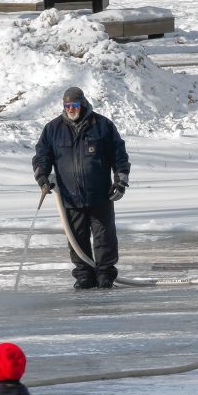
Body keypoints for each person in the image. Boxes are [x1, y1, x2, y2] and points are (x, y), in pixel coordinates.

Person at [32, 86, 131, 290]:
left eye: (74, 105)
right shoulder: (53, 129)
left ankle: (105, 274)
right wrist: (42, 177)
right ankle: (84, 275)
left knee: (104, 238)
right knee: (76, 239)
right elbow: (42, 156)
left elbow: (119, 155)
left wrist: (120, 181)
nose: (70, 109)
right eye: (67, 105)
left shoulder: (102, 125)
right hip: (70, 197)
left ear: (83, 103)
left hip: (100, 195)